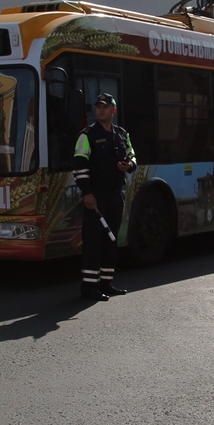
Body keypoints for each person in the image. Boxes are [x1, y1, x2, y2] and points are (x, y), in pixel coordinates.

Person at [73, 93, 137, 301]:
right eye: (98, 106)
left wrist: (129, 165)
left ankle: (106, 283)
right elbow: (80, 167)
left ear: (113, 110)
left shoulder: (121, 134)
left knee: (111, 239)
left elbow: (132, 156)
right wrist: (88, 193)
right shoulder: (87, 135)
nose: (101, 109)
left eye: (105, 106)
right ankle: (89, 287)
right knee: (93, 240)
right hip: (97, 195)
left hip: (116, 195)